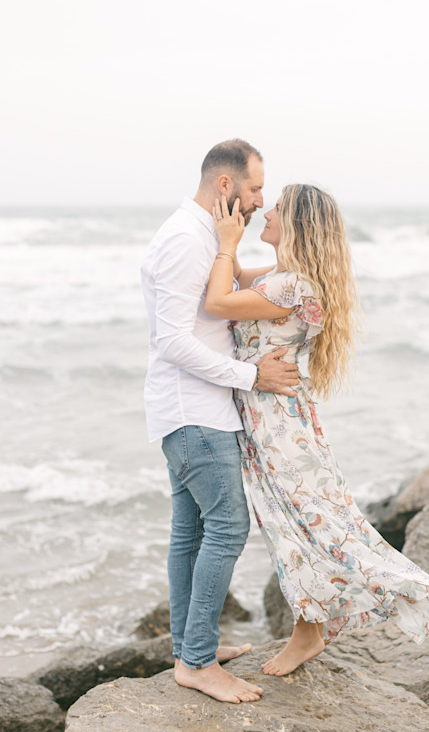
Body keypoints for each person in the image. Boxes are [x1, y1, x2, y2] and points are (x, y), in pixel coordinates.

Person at [204, 185, 429, 676]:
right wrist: (228, 231)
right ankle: (311, 628)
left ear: (296, 224)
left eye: (275, 207)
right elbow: (234, 281)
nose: (267, 212)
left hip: (277, 427)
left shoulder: (290, 287)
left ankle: (309, 633)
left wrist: (226, 243)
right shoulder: (285, 278)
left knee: (298, 526)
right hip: (279, 422)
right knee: (305, 523)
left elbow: (218, 302)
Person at [141, 140, 301, 704]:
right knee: (228, 526)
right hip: (195, 412)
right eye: (256, 188)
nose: (261, 199)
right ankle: (199, 662)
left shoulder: (208, 236)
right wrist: (250, 375)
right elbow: (173, 341)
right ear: (227, 186)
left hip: (191, 409)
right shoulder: (188, 239)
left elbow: (229, 292)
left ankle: (191, 645)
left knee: (191, 531)